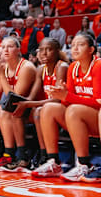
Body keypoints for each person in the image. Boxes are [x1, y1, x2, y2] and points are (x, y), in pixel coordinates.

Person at [34, 33, 100, 181]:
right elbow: (66, 102)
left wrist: (67, 97)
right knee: (49, 108)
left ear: (91, 50)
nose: (75, 48)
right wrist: (59, 95)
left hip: (97, 119)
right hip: (79, 120)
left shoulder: (98, 66)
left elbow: (98, 101)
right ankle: (53, 162)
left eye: (81, 45)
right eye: (73, 44)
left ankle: (84, 164)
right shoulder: (72, 67)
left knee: (73, 110)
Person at [0, 37, 36, 169]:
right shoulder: (4, 68)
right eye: (3, 47)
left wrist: (2, 76)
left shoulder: (26, 67)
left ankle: (9, 154)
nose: (5, 50)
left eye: (9, 46)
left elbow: (14, 98)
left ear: (18, 50)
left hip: (31, 108)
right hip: (14, 109)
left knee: (3, 110)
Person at [11, 38, 68, 172]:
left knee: (38, 111)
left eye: (49, 49)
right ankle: (22, 155)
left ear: (57, 51)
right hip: (45, 109)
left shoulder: (62, 67)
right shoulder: (40, 69)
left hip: (62, 110)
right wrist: (21, 103)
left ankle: (45, 157)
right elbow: (31, 97)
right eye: (41, 50)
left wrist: (29, 103)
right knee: (16, 112)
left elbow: (58, 100)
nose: (44, 53)